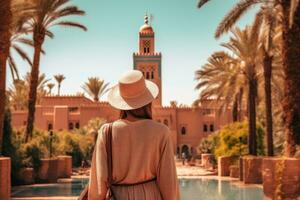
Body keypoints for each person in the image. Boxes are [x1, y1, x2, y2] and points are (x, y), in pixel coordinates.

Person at [88, 70, 179, 200]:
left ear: (121, 104)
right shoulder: (161, 132)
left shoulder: (106, 132)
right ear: (148, 101)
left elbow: (98, 185)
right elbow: (168, 184)